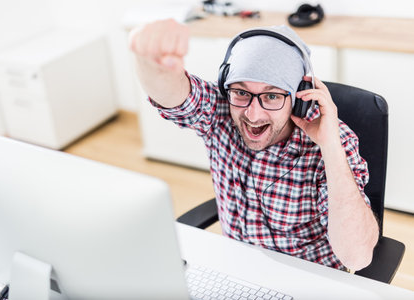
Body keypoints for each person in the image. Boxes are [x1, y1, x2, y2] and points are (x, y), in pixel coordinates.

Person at [129, 19, 379, 271]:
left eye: (272, 96)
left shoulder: (334, 139)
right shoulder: (222, 112)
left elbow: (356, 257)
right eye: (241, 92)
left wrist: (330, 147)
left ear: (298, 98)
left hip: (306, 283)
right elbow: (173, 93)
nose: (253, 114)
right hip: (237, 272)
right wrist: (149, 61)